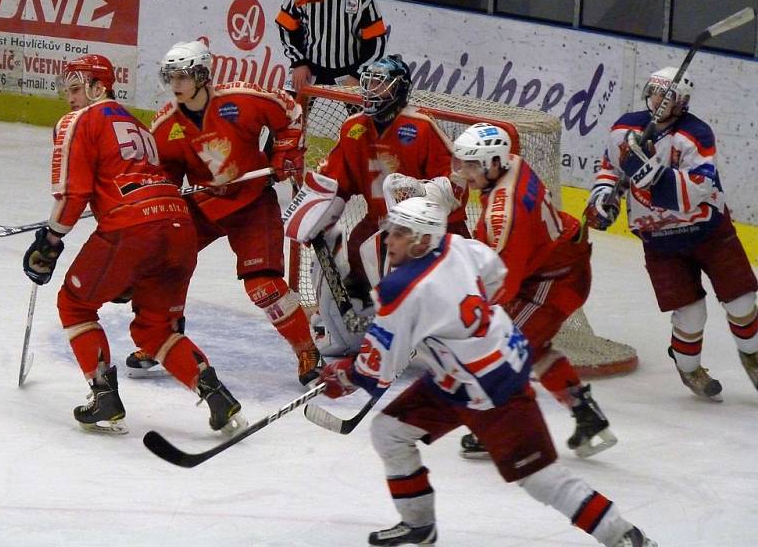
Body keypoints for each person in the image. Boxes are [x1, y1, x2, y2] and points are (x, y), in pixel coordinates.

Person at [316, 196, 657, 547]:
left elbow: (376, 371)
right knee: (390, 431)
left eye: (400, 233)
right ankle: (419, 525)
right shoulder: (457, 245)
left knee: (541, 479)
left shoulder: (401, 290)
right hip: (466, 373)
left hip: (494, 387)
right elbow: (495, 276)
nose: (389, 240)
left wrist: (346, 377)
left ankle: (625, 536)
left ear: (421, 239)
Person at [22, 54, 246, 436]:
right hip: (178, 226)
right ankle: (218, 399)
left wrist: (50, 240)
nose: (70, 99)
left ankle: (104, 397)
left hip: (133, 227)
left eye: (77, 89)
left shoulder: (78, 121)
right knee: (155, 329)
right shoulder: (138, 125)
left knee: (75, 304)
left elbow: (74, 194)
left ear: (99, 87)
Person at [124, 40, 323, 387]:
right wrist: (163, 193)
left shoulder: (242, 99)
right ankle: (163, 335)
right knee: (161, 264)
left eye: (183, 76)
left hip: (252, 202)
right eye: (170, 77)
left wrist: (284, 156)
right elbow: (165, 173)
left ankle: (306, 349)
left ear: (201, 75)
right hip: (202, 205)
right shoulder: (164, 125)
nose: (176, 85)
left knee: (263, 286)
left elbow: (290, 112)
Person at [585, 66, 758, 400]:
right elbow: (610, 169)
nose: (661, 102)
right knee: (692, 314)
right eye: (657, 93)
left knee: (741, 301)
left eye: (670, 96)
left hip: (708, 230)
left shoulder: (697, 135)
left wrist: (650, 173)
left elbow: (698, 188)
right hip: (660, 241)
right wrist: (603, 198)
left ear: (683, 103)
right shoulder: (625, 128)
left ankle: (752, 355)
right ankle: (689, 367)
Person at [449, 122, 616, 459]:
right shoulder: (512, 161)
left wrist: (463, 308)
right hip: (552, 265)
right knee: (532, 346)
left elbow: (502, 286)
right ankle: (587, 415)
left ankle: (505, 429)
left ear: (492, 164)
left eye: (470, 165)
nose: (464, 173)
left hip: (554, 281)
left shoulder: (504, 213)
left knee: (502, 347)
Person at [284, 53, 468, 357]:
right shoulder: (354, 127)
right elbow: (335, 180)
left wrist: (423, 192)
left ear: (398, 90)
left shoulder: (421, 126)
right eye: (367, 83)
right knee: (342, 248)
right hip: (376, 224)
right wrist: (315, 208)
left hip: (429, 232)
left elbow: (456, 183)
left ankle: (445, 333)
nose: (370, 91)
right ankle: (352, 327)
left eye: (379, 85)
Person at [275, 0, 387, 95]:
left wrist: (359, 74)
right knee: (290, 109)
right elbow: (285, 25)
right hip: (309, 66)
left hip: (349, 71)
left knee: (362, 115)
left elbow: (377, 39)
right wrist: (298, 63)